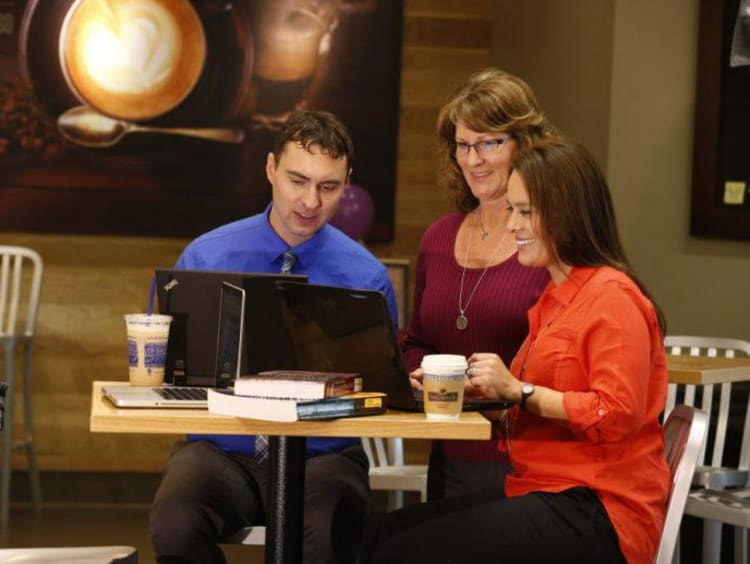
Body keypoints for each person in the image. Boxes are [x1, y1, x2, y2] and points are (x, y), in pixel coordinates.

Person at [361, 138, 670, 564]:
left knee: (400, 553)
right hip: (543, 489)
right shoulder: (554, 298)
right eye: (512, 210)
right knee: (379, 535)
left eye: (525, 212)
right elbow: (532, 408)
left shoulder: (612, 297)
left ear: (568, 216)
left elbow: (615, 414)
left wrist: (518, 390)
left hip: (600, 508)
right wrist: (478, 394)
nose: (512, 226)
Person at [149, 110, 398, 564]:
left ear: (347, 183)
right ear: (270, 169)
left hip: (326, 456)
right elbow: (165, 369)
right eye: (296, 181)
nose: (310, 201)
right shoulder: (206, 257)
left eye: (329, 187)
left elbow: (382, 390)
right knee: (174, 523)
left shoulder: (366, 277)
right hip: (222, 449)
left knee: (327, 537)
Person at [403, 67, 552, 500]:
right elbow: (418, 340)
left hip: (525, 458)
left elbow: (563, 360)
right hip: (450, 450)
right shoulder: (437, 237)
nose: (473, 159)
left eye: (489, 142)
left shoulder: (549, 241)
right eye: (464, 145)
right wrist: (418, 373)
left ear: (524, 144)